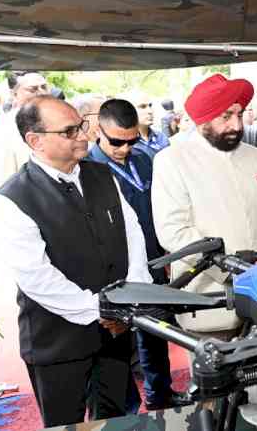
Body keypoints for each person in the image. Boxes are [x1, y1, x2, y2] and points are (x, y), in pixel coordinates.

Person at [0, 97, 152, 426]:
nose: (83, 135)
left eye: (81, 125)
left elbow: (132, 235)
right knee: (66, 424)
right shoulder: (11, 200)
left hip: (114, 334)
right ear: (35, 141)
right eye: (70, 130)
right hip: (57, 345)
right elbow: (39, 279)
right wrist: (104, 310)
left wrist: (131, 296)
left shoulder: (102, 175)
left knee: (114, 419)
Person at [152, 74, 257, 337]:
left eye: (239, 114)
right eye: (226, 116)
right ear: (203, 119)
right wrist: (236, 273)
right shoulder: (171, 160)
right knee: (218, 376)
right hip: (209, 303)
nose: (236, 125)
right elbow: (174, 231)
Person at [87, 99, 187, 411]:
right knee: (118, 347)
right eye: (116, 142)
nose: (124, 149)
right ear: (97, 131)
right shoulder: (88, 172)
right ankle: (125, 411)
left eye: (132, 141)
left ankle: (160, 396)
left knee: (156, 333)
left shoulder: (146, 158)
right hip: (116, 270)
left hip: (156, 260)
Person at [0, 72, 50, 192]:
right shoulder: (1, 127)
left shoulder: (55, 120)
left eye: (44, 87)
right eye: (32, 89)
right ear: (14, 94)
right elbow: (1, 181)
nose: (41, 92)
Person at [129, 94, 169, 160]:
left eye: (150, 105)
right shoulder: (124, 144)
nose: (150, 111)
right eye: (142, 106)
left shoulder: (161, 137)